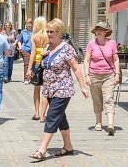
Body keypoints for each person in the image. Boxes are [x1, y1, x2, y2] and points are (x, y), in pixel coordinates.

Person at [29, 18, 89, 161]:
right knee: (60, 118)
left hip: (63, 89)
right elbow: (45, 65)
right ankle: (68, 146)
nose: (49, 34)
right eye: (48, 31)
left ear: (60, 32)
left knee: (52, 116)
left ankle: (42, 150)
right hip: (49, 89)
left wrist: (83, 87)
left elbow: (75, 68)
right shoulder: (48, 47)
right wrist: (43, 56)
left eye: (52, 32)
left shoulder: (67, 48)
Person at [84, 21, 120, 136]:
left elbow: (116, 60)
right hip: (94, 75)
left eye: (101, 29)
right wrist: (87, 76)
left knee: (109, 98)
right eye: (97, 29)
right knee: (97, 99)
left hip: (109, 75)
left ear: (106, 32)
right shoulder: (91, 44)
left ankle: (110, 124)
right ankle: (98, 122)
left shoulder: (112, 43)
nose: (99, 31)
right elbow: (86, 61)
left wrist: (117, 74)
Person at [26, 16, 49, 121]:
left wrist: (29, 68)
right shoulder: (48, 36)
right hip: (47, 63)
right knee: (46, 89)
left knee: (37, 88)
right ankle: (43, 115)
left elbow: (33, 53)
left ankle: (36, 113)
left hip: (36, 63)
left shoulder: (34, 36)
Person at [17, 18, 33, 84]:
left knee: (32, 65)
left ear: (32, 24)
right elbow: (19, 41)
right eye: (27, 23)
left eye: (29, 23)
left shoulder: (34, 31)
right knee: (27, 64)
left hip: (33, 50)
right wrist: (20, 48)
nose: (28, 25)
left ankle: (31, 78)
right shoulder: (23, 32)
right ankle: (26, 79)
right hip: (25, 50)